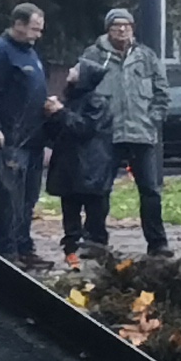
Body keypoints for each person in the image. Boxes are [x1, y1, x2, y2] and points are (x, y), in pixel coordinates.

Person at [77, 7, 170, 255]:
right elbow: (81, 92)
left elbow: (162, 92)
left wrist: (153, 119)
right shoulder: (93, 55)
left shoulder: (146, 56)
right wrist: (92, 124)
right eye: (116, 25)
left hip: (141, 134)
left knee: (150, 191)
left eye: (126, 25)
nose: (121, 29)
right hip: (105, 135)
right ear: (108, 29)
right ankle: (95, 240)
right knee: (99, 189)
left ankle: (158, 243)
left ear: (132, 28)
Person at [0, 2, 51, 266]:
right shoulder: (0, 51)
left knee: (28, 199)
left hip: (33, 138)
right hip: (11, 138)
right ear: (18, 24)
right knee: (8, 198)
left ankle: (24, 247)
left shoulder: (30, 52)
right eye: (34, 29)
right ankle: (6, 250)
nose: (38, 34)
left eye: (40, 29)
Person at [43, 55, 118, 262]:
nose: (70, 71)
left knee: (95, 215)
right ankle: (72, 251)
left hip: (91, 168)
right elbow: (58, 132)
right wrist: (51, 117)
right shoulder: (71, 100)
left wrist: (60, 113)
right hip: (70, 167)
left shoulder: (97, 102)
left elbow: (83, 128)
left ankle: (95, 250)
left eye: (75, 69)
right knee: (70, 214)